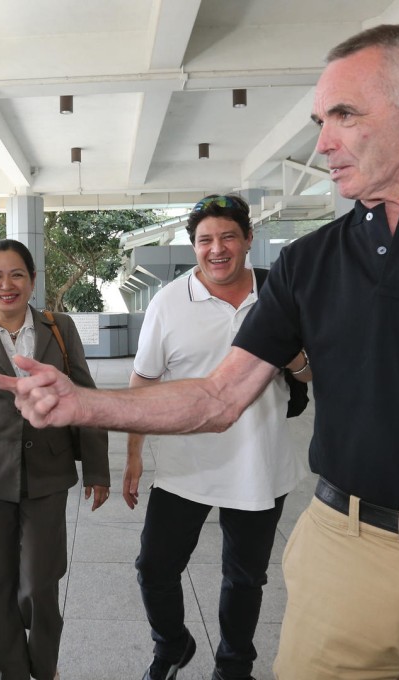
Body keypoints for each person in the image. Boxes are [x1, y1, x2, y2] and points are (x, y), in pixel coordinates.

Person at [0, 24, 399, 680]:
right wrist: (82, 404)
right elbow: (219, 396)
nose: (324, 141)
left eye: (345, 115)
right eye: (319, 120)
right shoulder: (310, 263)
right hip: (343, 557)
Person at [125, 193, 307, 680]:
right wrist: (133, 457)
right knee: (155, 568)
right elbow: (144, 382)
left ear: (248, 239)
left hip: (259, 462)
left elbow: (311, 375)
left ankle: (234, 667)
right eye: (205, 240)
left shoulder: (278, 294)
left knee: (245, 578)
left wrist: (293, 357)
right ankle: (172, 645)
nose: (217, 249)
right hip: (187, 464)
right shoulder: (169, 301)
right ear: (193, 246)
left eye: (229, 236)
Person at [0, 239, 110, 680]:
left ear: (32, 281)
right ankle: (6, 673)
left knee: (39, 586)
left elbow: (85, 397)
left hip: (49, 474)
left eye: (17, 275)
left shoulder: (59, 329)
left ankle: (43, 669)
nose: (6, 285)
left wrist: (98, 468)